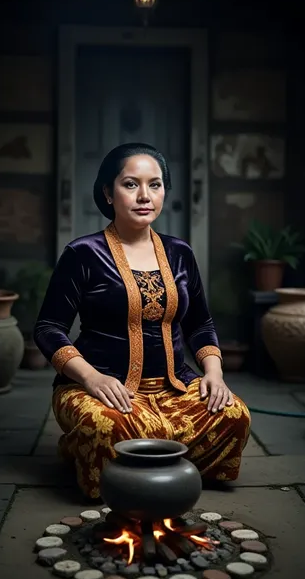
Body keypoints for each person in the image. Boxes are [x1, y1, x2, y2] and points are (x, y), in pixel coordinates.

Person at [34, 143, 251, 499]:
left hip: (174, 388)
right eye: (131, 184)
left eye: (155, 184)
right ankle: (135, 454)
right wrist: (90, 377)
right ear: (108, 192)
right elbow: (48, 329)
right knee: (104, 426)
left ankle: (139, 457)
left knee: (234, 415)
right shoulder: (83, 254)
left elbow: (200, 324)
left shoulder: (180, 253)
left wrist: (214, 374)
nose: (144, 196)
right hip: (103, 389)